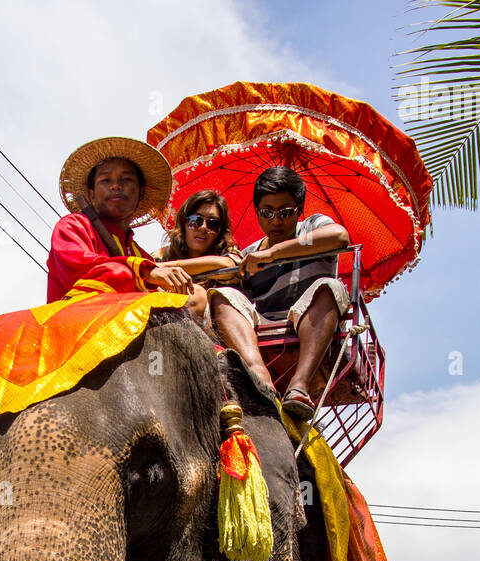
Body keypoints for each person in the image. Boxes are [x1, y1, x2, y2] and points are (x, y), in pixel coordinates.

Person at [210, 165, 351, 417]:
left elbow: (339, 237)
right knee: (223, 297)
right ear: (257, 211)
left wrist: (275, 253)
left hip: (312, 315)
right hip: (266, 326)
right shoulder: (250, 253)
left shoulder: (313, 227)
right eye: (267, 212)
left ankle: (300, 384)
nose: (276, 221)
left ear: (299, 209)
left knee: (329, 287)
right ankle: (259, 376)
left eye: (285, 212)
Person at [48, 136, 193, 303]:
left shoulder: (141, 255)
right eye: (105, 180)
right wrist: (143, 273)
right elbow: (81, 269)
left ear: (141, 192)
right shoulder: (72, 226)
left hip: (128, 323)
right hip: (77, 322)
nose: (116, 186)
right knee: (120, 273)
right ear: (91, 194)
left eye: (126, 179)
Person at [157, 190, 243, 317]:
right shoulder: (162, 256)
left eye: (212, 224)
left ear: (220, 231)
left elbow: (228, 266)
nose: (203, 227)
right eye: (195, 220)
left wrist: (168, 268)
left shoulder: (230, 253)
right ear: (184, 223)